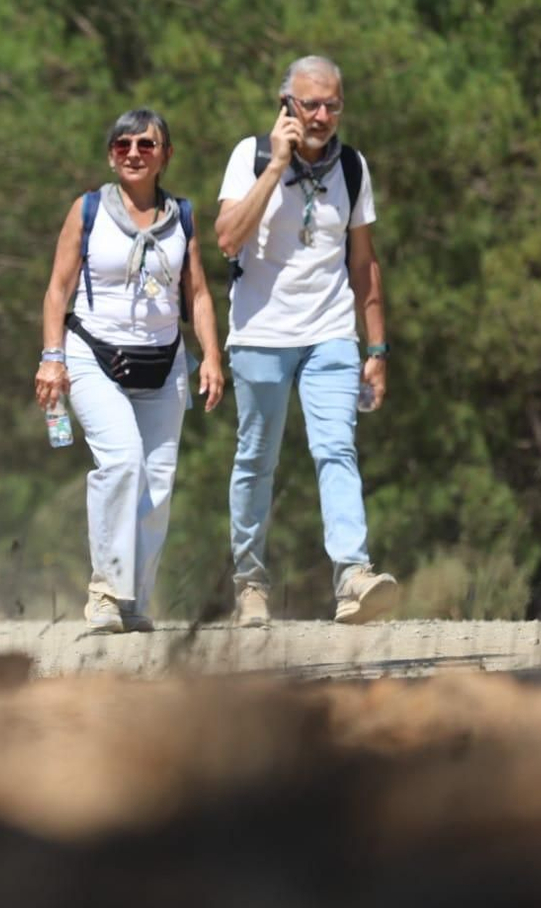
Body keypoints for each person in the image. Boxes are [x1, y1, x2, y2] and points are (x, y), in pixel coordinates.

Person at [214, 55, 396, 627]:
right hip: (261, 334)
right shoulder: (251, 156)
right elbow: (225, 239)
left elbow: (364, 264)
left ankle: (352, 576)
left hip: (331, 333)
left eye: (331, 105)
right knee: (256, 460)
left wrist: (377, 351)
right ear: (286, 104)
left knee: (336, 449)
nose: (321, 115)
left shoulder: (353, 168)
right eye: (309, 103)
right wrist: (277, 167)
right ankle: (250, 583)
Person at [36, 109, 225, 633]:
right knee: (122, 462)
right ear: (110, 155)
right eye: (123, 146)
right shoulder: (89, 210)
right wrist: (51, 358)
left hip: (164, 363)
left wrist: (211, 356)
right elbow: (57, 290)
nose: (134, 153)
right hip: (93, 355)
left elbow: (199, 293)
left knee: (157, 484)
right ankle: (104, 590)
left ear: (166, 154)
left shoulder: (181, 216)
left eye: (146, 144)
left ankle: (132, 598)